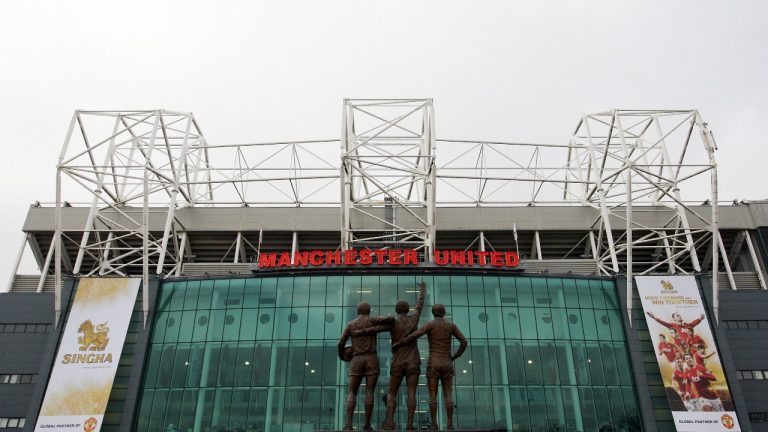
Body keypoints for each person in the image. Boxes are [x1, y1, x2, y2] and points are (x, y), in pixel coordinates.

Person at [353, 281, 427, 431]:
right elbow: (420, 305)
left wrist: (360, 332)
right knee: (412, 393)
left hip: (398, 361)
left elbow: (375, 329)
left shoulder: (393, 323)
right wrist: (422, 289)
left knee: (392, 393)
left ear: (396, 310)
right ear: (408, 310)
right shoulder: (414, 319)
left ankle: (389, 422)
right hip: (413, 360)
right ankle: (410, 425)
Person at [393, 304, 467, 431]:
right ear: (444, 312)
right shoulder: (451, 325)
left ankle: (434, 424)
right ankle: (450, 424)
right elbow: (464, 342)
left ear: (433, 313)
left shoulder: (430, 324)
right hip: (447, 363)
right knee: (448, 395)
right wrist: (454, 357)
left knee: (432, 396)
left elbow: (415, 335)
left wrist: (399, 343)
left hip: (433, 363)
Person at [337, 302, 395, 431]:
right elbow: (390, 319)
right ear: (368, 311)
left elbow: (341, 342)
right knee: (370, 392)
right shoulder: (372, 320)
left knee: (352, 393)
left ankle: (348, 425)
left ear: (358, 311)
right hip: (371, 358)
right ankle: (367, 425)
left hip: (356, 359)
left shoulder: (350, 324)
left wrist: (342, 356)